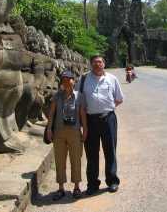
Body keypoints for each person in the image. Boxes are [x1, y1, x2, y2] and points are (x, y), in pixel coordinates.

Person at [76, 55, 124, 195]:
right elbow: (80, 104)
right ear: (91, 64)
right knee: (91, 154)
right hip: (90, 120)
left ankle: (112, 181)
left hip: (108, 119)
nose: (98, 64)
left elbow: (119, 99)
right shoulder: (84, 79)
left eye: (100, 62)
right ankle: (92, 184)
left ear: (104, 64)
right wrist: (83, 126)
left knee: (110, 151)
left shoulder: (112, 79)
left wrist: (108, 108)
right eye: (95, 62)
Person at [46, 70, 88, 200]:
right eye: (63, 79)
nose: (66, 81)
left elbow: (82, 114)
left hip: (75, 132)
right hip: (59, 132)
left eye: (69, 79)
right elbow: (52, 113)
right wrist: (49, 129)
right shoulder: (57, 96)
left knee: (76, 159)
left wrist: (85, 129)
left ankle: (76, 187)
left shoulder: (79, 96)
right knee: (60, 160)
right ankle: (60, 188)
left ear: (73, 81)